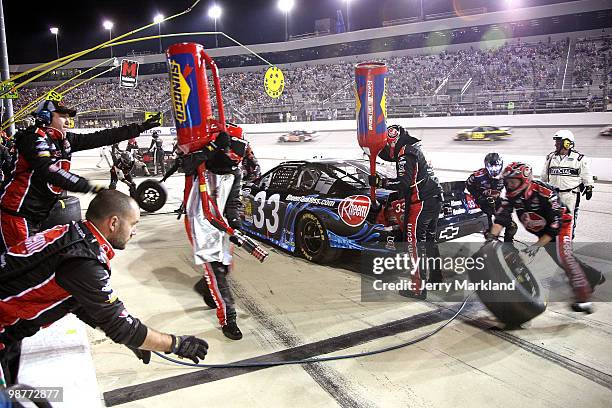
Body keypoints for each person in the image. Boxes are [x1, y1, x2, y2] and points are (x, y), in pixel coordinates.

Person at [0, 190, 209, 387]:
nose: (135, 231)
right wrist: (176, 344)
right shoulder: (83, 260)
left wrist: (133, 339)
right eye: (133, 224)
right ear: (114, 223)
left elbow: (80, 303)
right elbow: (119, 324)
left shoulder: (72, 233)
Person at [0, 101, 160, 252]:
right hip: (16, 214)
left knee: (29, 266)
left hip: (37, 215)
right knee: (19, 268)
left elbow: (101, 137)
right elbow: (48, 170)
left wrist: (139, 128)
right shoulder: (34, 138)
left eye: (68, 116)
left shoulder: (65, 140)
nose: (68, 120)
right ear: (46, 117)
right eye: (62, 116)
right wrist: (90, 187)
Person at [489, 162, 605, 314]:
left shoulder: (544, 192)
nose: (509, 185)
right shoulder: (510, 197)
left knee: (564, 258)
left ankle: (584, 299)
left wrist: (536, 246)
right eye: (507, 182)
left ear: (524, 179)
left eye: (513, 181)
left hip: (561, 226)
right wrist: (491, 238)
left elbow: (555, 225)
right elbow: (501, 219)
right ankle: (594, 276)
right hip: (542, 231)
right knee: (560, 259)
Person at [185, 124, 247, 340]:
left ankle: (207, 288)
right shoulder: (201, 162)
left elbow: (233, 202)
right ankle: (228, 319)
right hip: (199, 220)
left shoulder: (235, 172)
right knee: (217, 272)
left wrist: (236, 226)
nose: (233, 165)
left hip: (220, 221)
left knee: (225, 266)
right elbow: (184, 163)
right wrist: (210, 147)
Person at [375, 125, 444, 289]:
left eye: (387, 144)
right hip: (434, 198)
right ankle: (435, 279)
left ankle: (417, 288)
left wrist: (381, 182)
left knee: (414, 243)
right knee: (429, 241)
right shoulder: (413, 148)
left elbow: (403, 183)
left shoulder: (405, 154)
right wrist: (373, 149)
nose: (387, 148)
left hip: (421, 203)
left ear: (393, 141)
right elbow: (389, 157)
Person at [541, 129, 593, 238]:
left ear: (567, 143)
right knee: (551, 218)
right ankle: (552, 240)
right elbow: (544, 176)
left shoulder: (579, 158)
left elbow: (586, 173)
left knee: (568, 219)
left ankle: (567, 240)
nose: (555, 144)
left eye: (558, 142)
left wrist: (589, 186)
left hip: (570, 195)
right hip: (553, 195)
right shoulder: (551, 157)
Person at [466, 153, 517, 242]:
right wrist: (478, 197)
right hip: (483, 204)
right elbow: (468, 185)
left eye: (496, 167)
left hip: (497, 202)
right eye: (491, 167)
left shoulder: (505, 176)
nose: (494, 170)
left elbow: (511, 190)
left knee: (512, 227)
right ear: (486, 166)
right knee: (490, 235)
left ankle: (508, 244)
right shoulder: (477, 176)